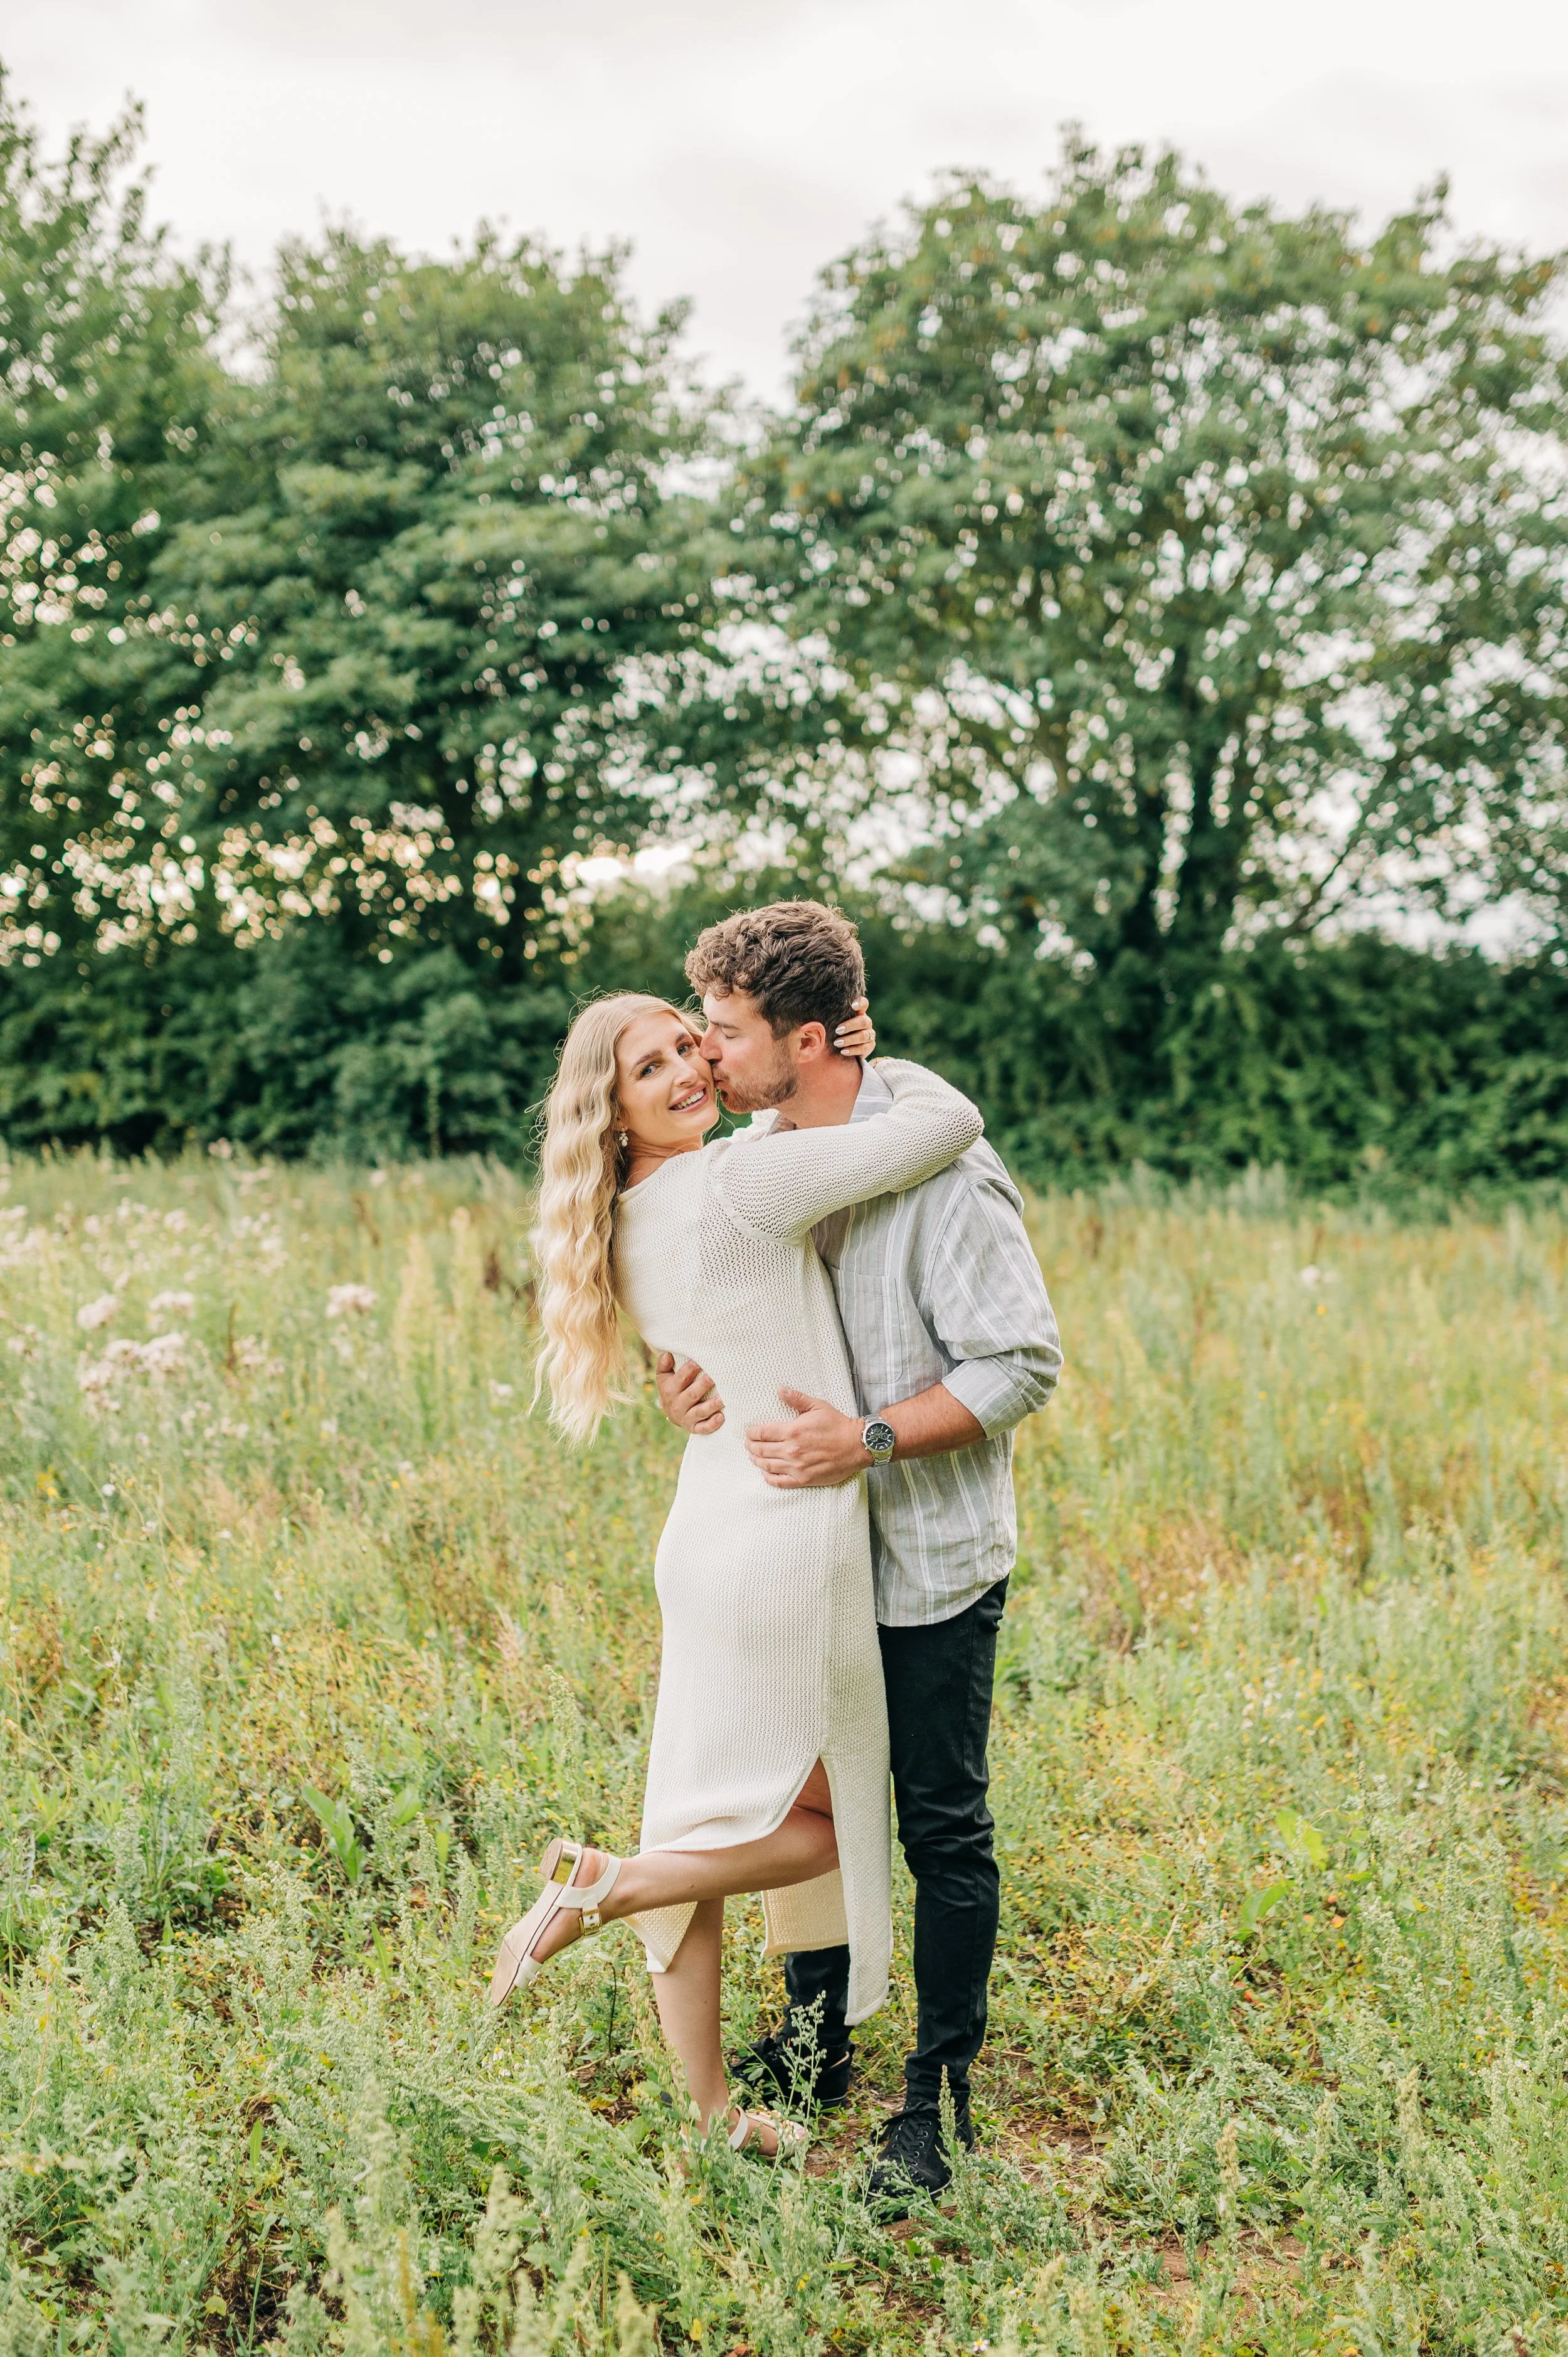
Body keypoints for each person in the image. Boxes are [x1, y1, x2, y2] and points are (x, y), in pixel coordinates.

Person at [487, 984, 987, 2163]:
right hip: (787, 1537)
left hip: (707, 1532)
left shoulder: (625, 1218)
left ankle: (715, 2116)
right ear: (613, 1113)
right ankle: (607, 1888)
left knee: (705, 1824)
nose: (688, 1072)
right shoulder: (740, 1183)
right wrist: (881, 1062)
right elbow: (945, 1127)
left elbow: (716, 1337)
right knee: (823, 1823)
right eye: (651, 1068)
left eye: (688, 1046)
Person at [657, 901, 1062, 2207]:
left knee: (938, 1828)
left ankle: (931, 2105)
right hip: (797, 1560)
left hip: (923, 1558)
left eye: (724, 1033)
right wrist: (690, 1389)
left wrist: (869, 1440)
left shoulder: (945, 1175)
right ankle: (816, 2042)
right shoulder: (760, 1158)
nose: (704, 1057)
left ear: (813, 1035)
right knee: (807, 1809)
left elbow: (1019, 1365)